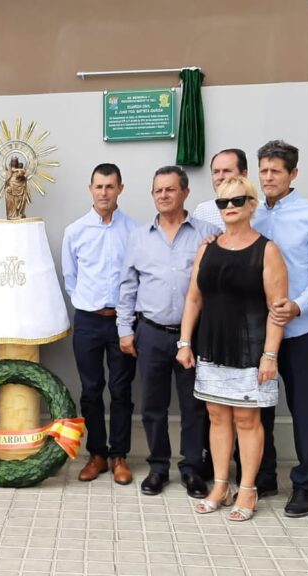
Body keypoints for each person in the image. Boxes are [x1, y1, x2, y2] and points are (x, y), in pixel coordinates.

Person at [176, 176, 287, 522]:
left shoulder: (267, 250)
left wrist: (270, 354)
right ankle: (221, 485)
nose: (230, 207)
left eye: (237, 200)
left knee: (247, 419)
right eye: (223, 202)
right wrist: (184, 342)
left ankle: (249, 488)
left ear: (252, 205)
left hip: (251, 350)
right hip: (212, 345)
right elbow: (194, 298)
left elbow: (277, 307)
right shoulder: (206, 247)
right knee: (217, 417)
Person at [246, 140, 308, 517]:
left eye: (276, 171)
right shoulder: (249, 214)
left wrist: (297, 305)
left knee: (304, 410)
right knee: (258, 410)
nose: (268, 177)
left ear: (293, 174)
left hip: (298, 331)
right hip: (258, 333)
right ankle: (264, 477)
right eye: (263, 170)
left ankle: (305, 485)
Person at [117, 166, 217, 498]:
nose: (163, 195)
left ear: (185, 193)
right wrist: (125, 330)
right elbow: (128, 287)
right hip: (151, 333)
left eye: (170, 189)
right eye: (158, 190)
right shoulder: (139, 237)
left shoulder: (207, 234)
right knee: (153, 405)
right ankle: (158, 467)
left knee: (194, 406)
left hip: (193, 334)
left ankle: (191, 469)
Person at [63, 163, 139, 485]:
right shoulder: (75, 231)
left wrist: (127, 322)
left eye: (110, 186)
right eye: (99, 186)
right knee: (91, 390)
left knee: (121, 390)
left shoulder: (134, 231)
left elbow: (137, 277)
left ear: (120, 188)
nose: (104, 192)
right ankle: (97, 455)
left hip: (122, 322)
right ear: (90, 189)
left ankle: (119, 455)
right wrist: (87, 304)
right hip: (88, 323)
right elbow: (70, 278)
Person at [192, 149, 248, 231]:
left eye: (227, 171)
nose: (220, 177)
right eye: (216, 172)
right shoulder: (202, 211)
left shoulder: (258, 209)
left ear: (244, 174)